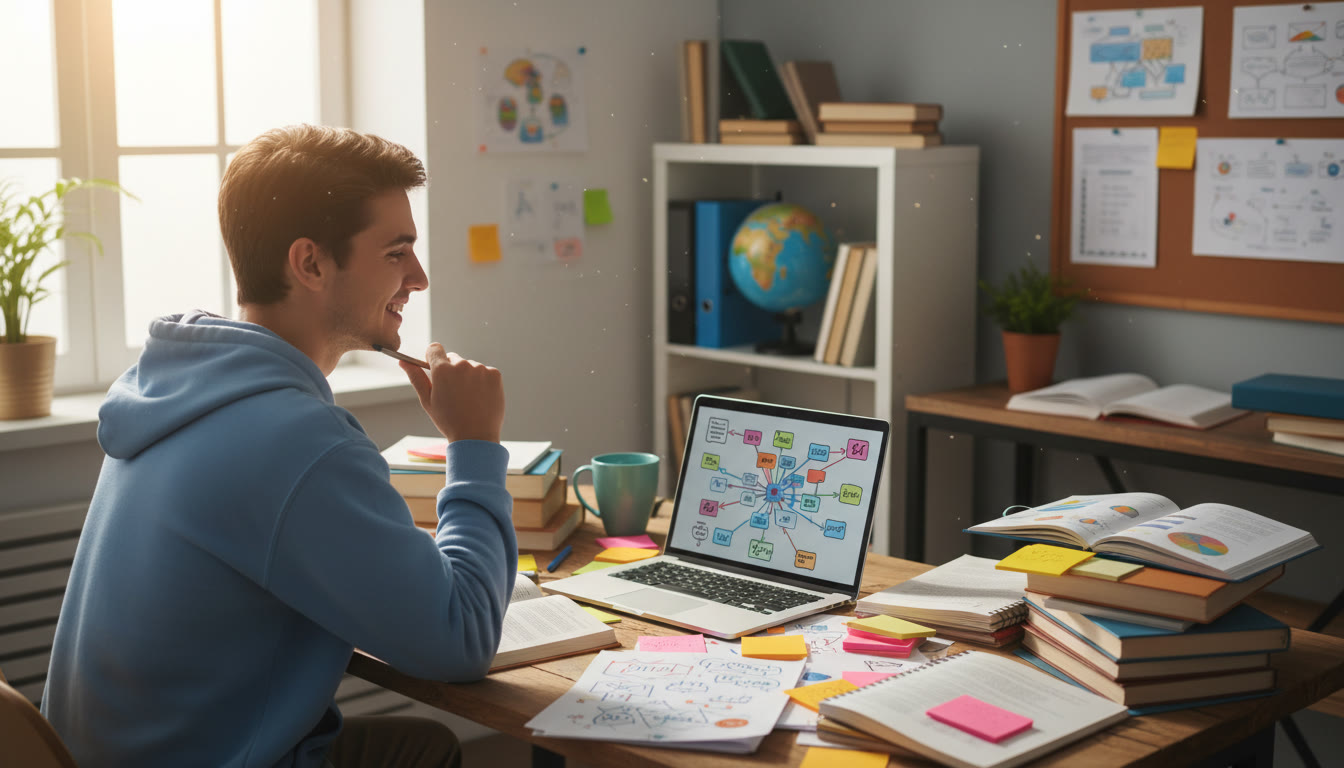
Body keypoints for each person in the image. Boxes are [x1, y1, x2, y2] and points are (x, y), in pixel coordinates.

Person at [42, 125, 514, 768]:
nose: (420, 278)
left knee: (416, 745)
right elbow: (462, 640)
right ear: (311, 263)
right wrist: (476, 444)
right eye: (397, 253)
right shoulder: (298, 441)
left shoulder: (176, 389)